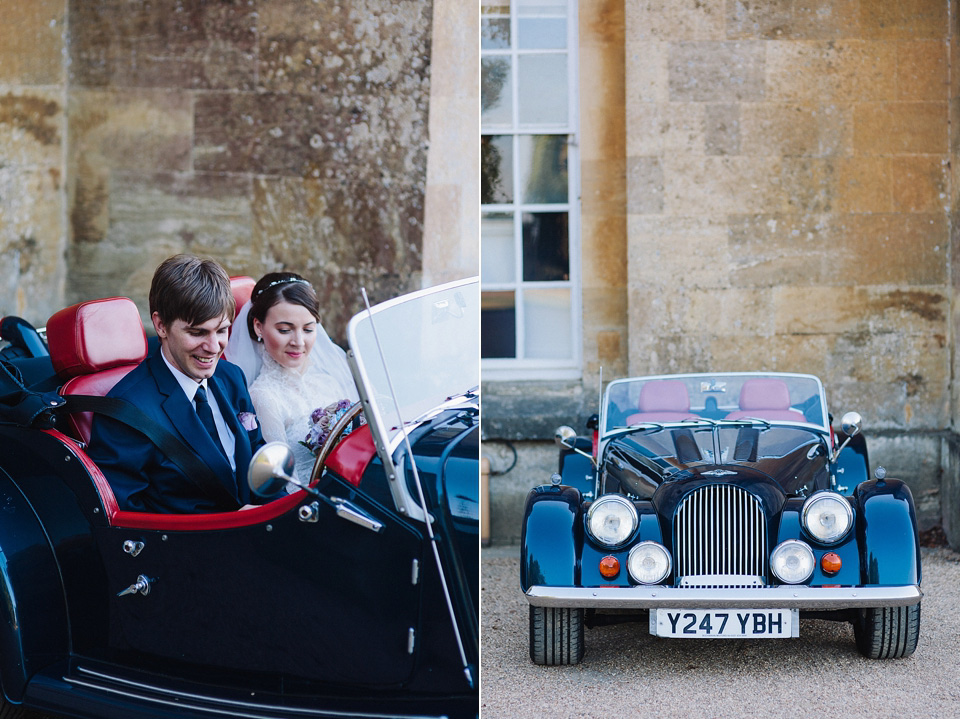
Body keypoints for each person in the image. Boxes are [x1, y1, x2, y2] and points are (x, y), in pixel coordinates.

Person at [88, 255, 268, 513]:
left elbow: (255, 454)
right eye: (197, 333)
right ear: (161, 325)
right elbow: (127, 521)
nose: (213, 347)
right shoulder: (125, 412)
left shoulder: (232, 377)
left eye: (221, 330)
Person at [226, 272, 358, 483]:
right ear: (259, 327)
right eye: (285, 330)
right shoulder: (263, 397)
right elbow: (286, 484)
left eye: (308, 329)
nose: (298, 341)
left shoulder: (329, 378)